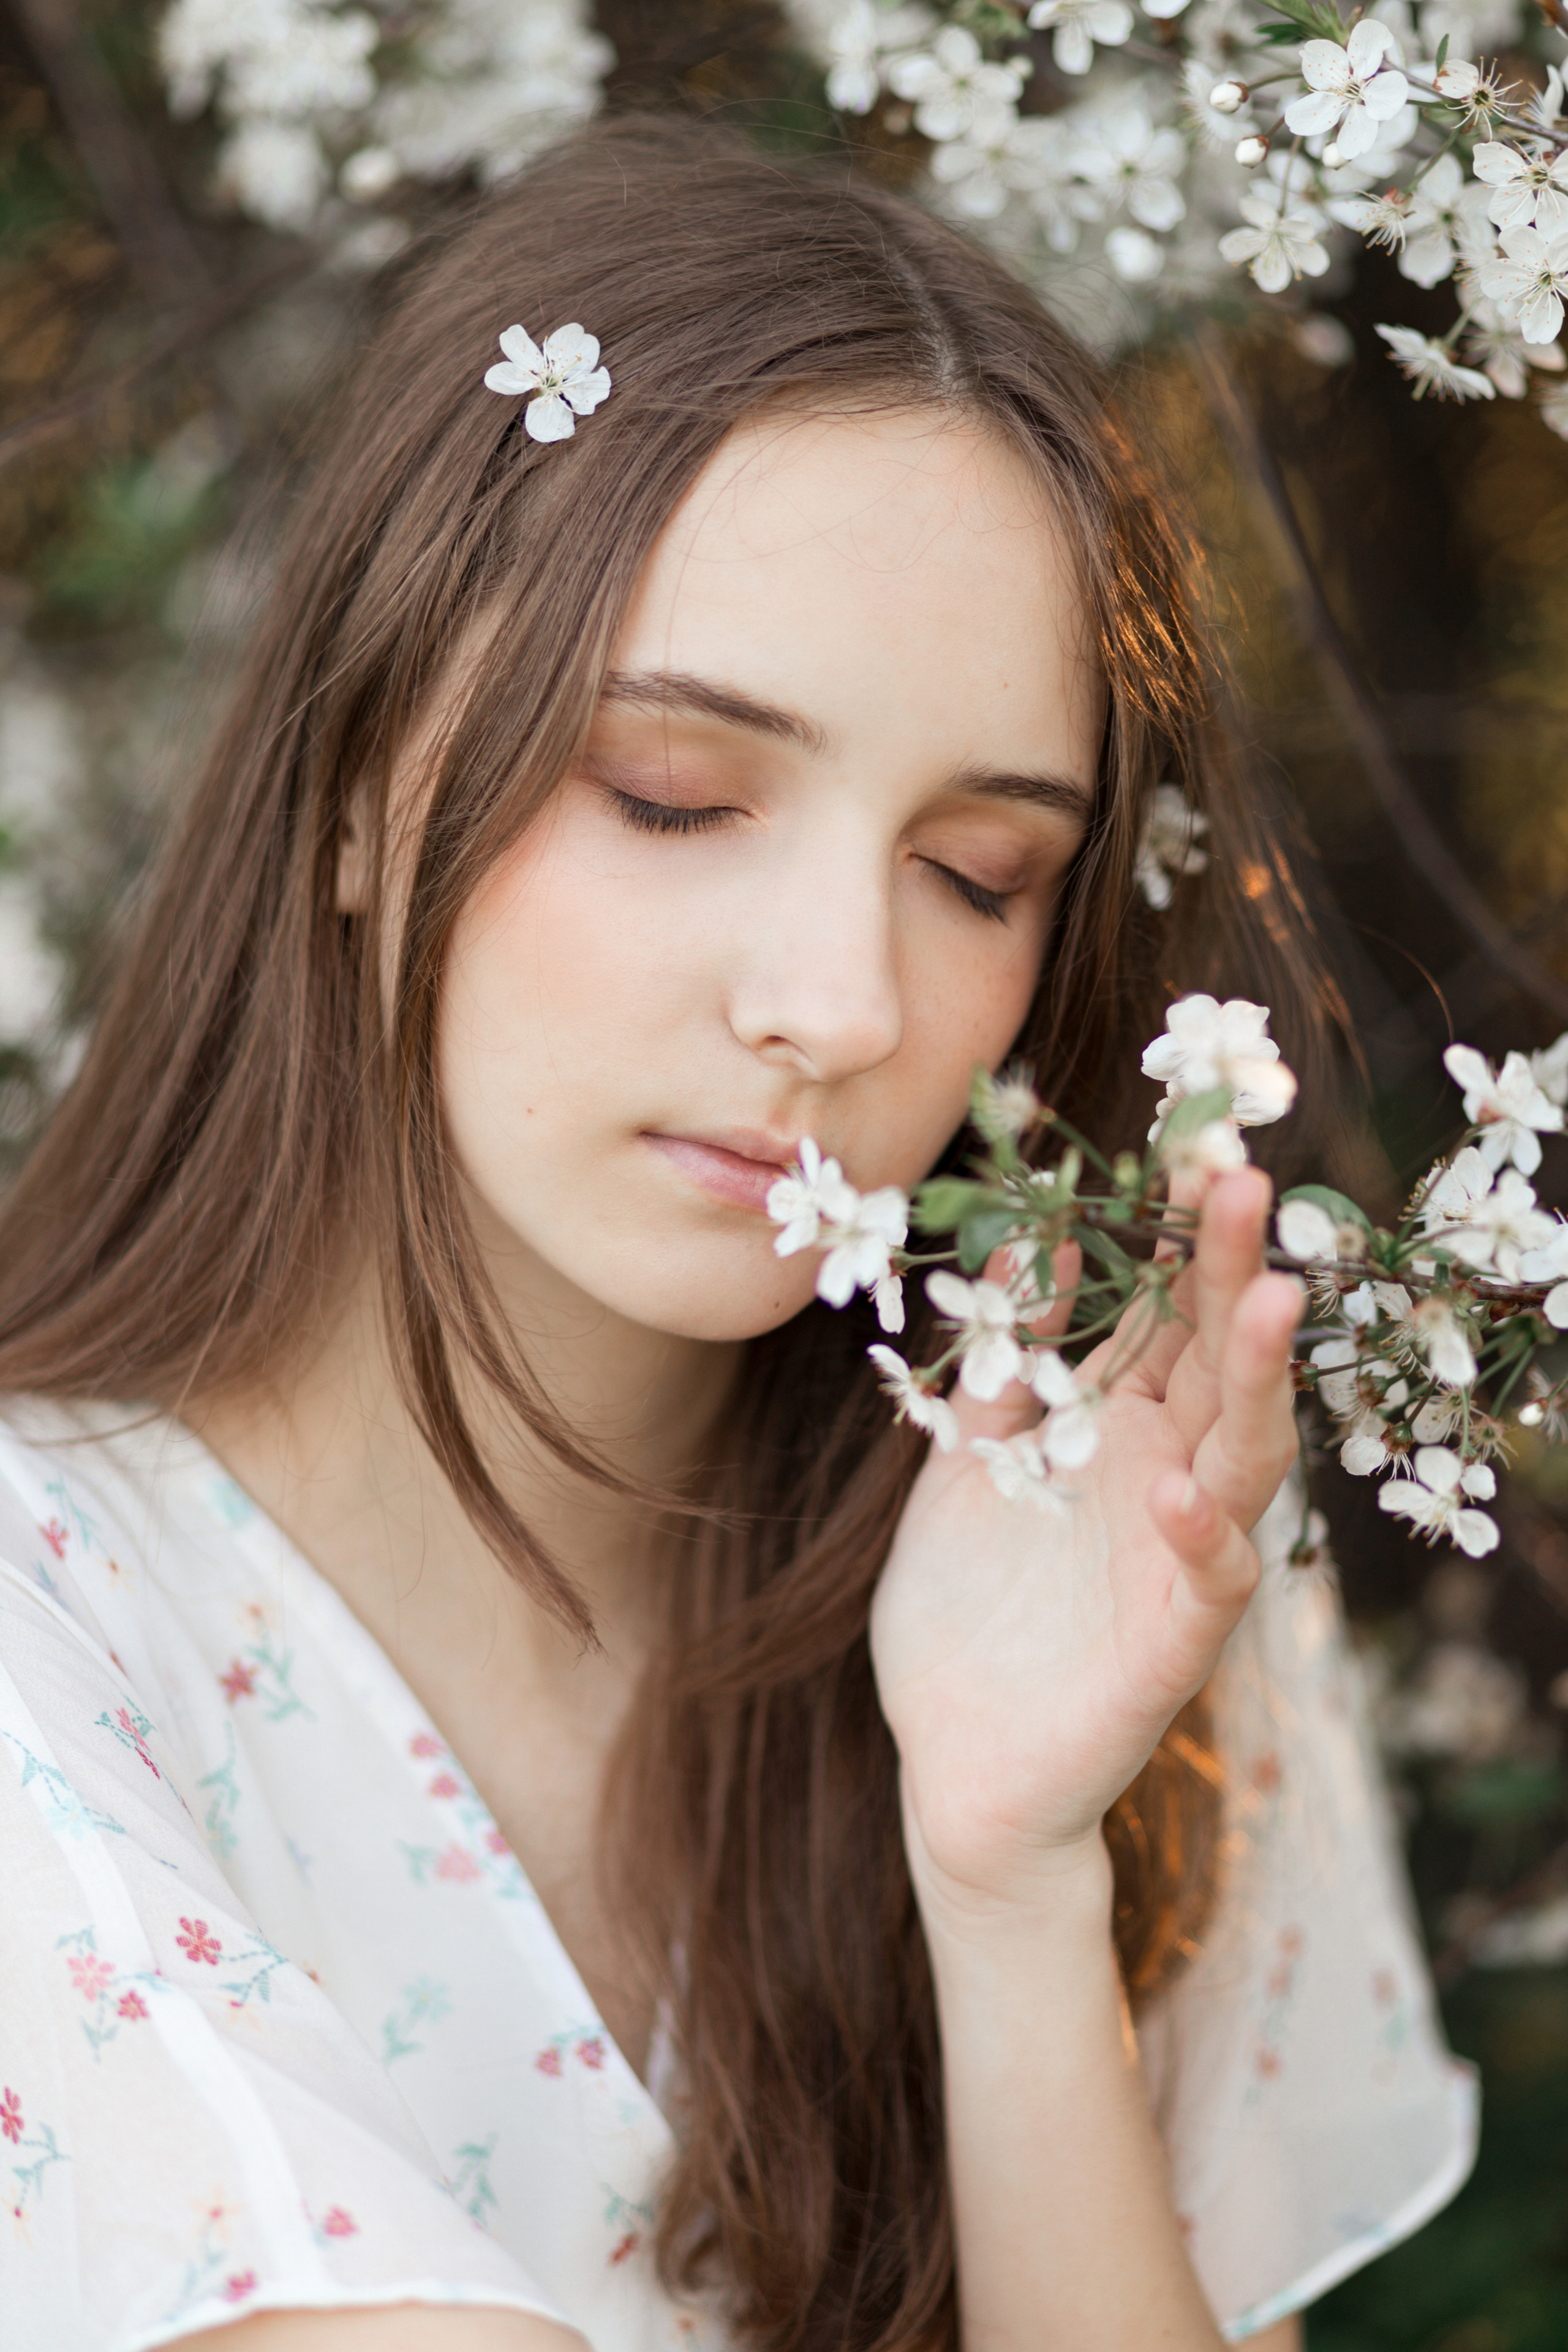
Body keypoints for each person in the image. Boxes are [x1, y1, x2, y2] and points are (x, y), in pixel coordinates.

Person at [0, 114, 1476, 2352]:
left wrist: (1009, 1896)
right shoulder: (49, 1637)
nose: (843, 1002)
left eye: (979, 872)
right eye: (673, 796)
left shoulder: (1087, 1548)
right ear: (352, 783)